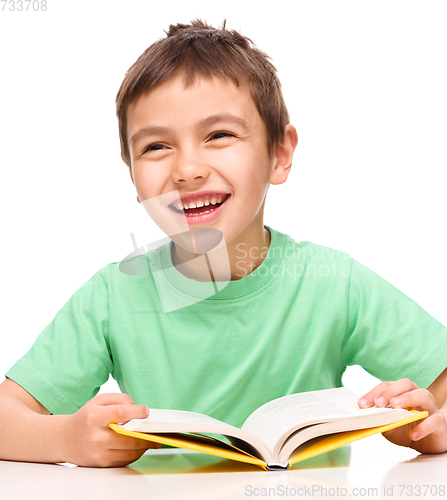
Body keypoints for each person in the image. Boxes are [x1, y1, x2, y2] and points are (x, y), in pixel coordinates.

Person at [0, 19, 446, 468]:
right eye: (156, 146)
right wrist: (66, 440)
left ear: (280, 154)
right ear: (132, 173)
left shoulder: (334, 283)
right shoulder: (113, 295)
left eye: (219, 135)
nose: (187, 169)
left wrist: (427, 426)